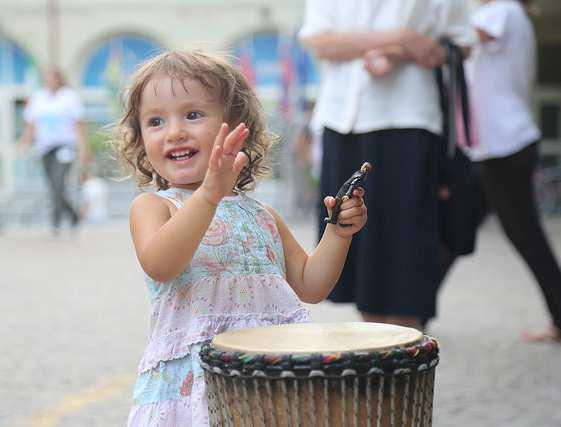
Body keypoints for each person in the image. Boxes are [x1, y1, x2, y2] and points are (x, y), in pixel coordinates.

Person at [117, 50, 368, 425]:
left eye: (193, 115)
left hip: (270, 381)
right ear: (140, 140)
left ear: (235, 127)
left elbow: (310, 285)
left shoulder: (262, 215)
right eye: (155, 121)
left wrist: (338, 233)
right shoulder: (154, 207)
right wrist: (208, 196)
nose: (174, 131)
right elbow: (160, 264)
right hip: (196, 386)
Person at [299, 0, 475, 329]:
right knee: (357, 252)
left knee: (405, 252)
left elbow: (460, 45)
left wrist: (405, 50)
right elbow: (317, 40)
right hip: (342, 118)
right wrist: (399, 37)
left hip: (408, 118)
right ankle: (379, 356)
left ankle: (405, 359)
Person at [459, 0, 561, 342]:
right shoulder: (509, 14)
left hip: (505, 146)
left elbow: (461, 38)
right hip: (495, 146)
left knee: (526, 236)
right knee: (457, 226)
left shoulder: (502, 11)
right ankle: (416, 313)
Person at [18, 68, 89, 234]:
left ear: (58, 79)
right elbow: (31, 125)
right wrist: (24, 143)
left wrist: (83, 149)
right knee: (52, 186)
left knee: (58, 184)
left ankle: (55, 220)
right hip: (45, 148)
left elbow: (79, 125)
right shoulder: (38, 98)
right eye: (46, 78)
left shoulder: (69, 97)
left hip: (64, 147)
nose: (49, 81)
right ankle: (72, 215)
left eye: (52, 78)